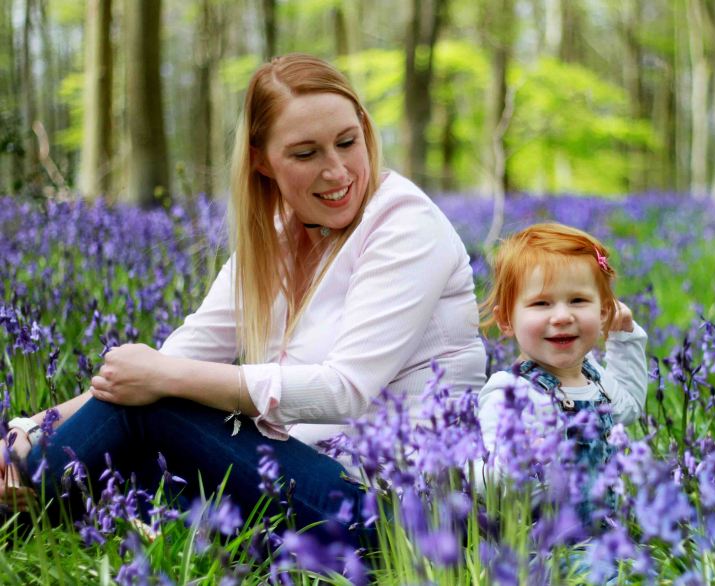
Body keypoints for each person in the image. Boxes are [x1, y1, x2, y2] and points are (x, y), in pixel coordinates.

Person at [0, 53, 487, 546]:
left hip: (401, 512)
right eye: (305, 154)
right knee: (123, 448)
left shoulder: (404, 224)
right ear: (261, 160)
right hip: (303, 480)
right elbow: (173, 359)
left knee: (144, 412)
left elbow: (346, 390)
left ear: (365, 129)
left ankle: (28, 501)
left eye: (347, 142)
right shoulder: (276, 237)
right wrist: (30, 427)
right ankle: (31, 491)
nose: (337, 171)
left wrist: (163, 378)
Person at [477, 223, 647, 528]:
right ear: (506, 320)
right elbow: (487, 479)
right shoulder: (512, 392)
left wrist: (625, 340)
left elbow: (630, 407)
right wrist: (517, 463)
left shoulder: (593, 375)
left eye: (578, 301)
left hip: (609, 534)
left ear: (603, 312)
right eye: (541, 303)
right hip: (549, 550)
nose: (562, 316)